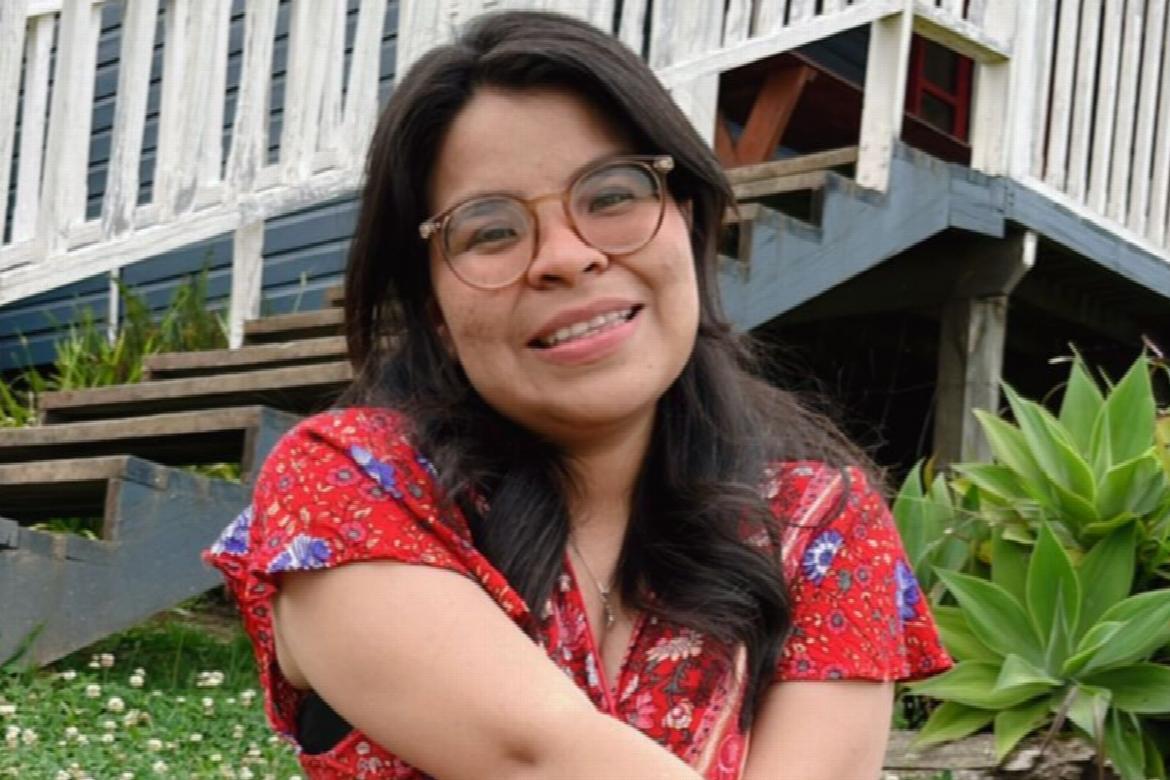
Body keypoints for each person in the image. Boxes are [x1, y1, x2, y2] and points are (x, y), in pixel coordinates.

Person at [205, 10, 951, 779]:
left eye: (613, 194)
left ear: (686, 219)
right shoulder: (348, 486)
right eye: (490, 231)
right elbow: (536, 755)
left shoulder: (823, 529)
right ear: (435, 308)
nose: (567, 257)